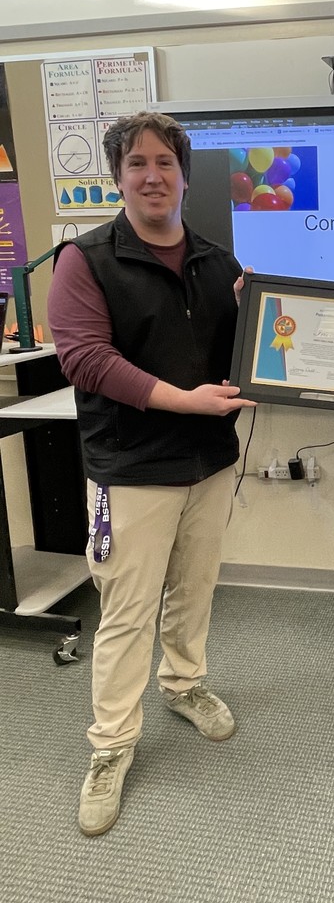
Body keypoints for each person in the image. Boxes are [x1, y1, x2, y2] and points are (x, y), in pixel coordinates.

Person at [47, 111, 257, 836]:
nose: (152, 175)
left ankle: (184, 685)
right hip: (131, 469)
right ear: (117, 176)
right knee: (127, 613)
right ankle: (110, 747)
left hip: (209, 465)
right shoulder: (86, 259)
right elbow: (86, 360)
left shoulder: (217, 260)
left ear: (185, 174)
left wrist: (253, 315)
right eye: (137, 163)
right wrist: (184, 402)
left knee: (195, 590)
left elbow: (239, 356)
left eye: (165, 162)